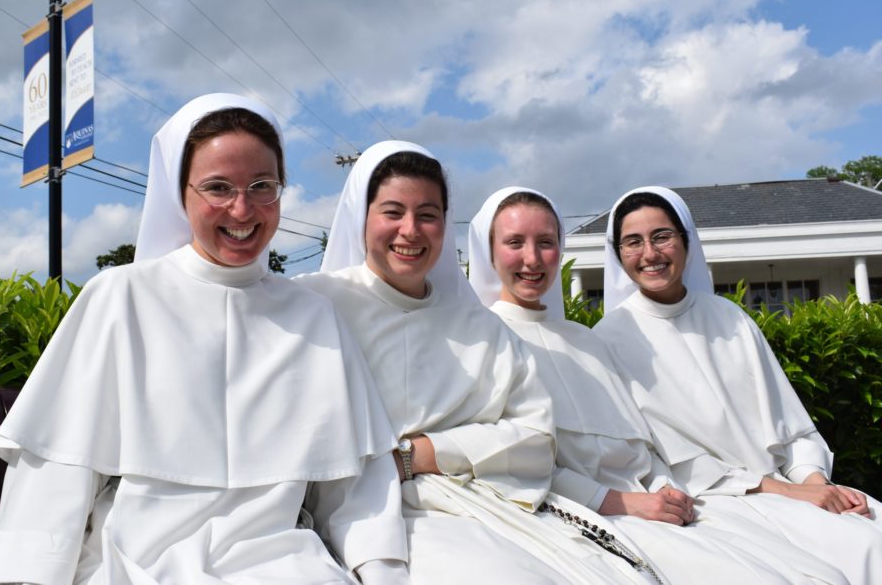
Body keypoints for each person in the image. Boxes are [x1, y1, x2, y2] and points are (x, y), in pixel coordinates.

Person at [0, 93, 408, 584]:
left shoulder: (314, 317)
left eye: (262, 186)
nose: (242, 209)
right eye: (218, 187)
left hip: (284, 560)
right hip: (136, 559)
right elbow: (57, 467)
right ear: (179, 193)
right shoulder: (120, 297)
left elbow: (355, 489)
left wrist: (382, 572)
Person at [296, 141, 664, 585]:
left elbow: (536, 436)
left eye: (427, 215)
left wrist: (419, 454)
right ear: (363, 217)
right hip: (376, 516)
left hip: (488, 504)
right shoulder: (315, 305)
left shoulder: (480, 326)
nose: (410, 231)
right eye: (393, 212)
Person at [468, 186, 846, 585]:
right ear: (488, 251)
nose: (532, 258)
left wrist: (664, 487)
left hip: (660, 505)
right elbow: (512, 462)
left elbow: (644, 446)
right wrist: (625, 502)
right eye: (514, 243)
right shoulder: (483, 341)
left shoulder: (585, 340)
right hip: (594, 514)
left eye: (546, 242)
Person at [595, 185, 882, 585]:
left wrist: (816, 482)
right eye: (633, 242)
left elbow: (791, 427)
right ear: (618, 253)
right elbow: (651, 460)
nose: (650, 253)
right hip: (709, 501)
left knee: (870, 531)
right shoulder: (608, 339)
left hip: (788, 489)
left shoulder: (730, 317)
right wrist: (785, 493)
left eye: (661, 236)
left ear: (686, 241)